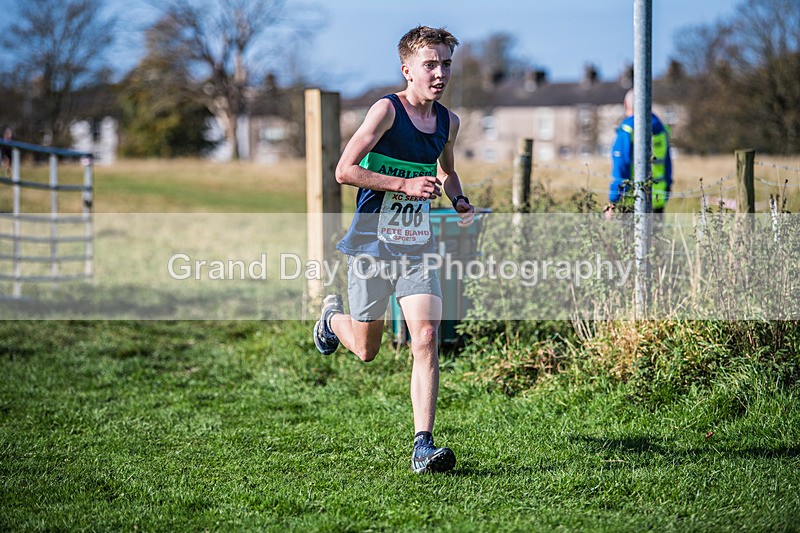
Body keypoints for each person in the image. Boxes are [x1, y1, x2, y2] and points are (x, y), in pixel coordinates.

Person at [313, 25, 475, 473]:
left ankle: (423, 445)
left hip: (417, 246)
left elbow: (446, 172)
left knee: (425, 336)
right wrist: (402, 182)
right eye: (430, 65)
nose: (440, 73)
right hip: (370, 243)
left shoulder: (448, 122)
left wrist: (458, 198)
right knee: (367, 349)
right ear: (407, 70)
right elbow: (344, 170)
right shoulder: (386, 111)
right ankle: (331, 319)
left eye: (445, 64)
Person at [605, 89, 672, 218]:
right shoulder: (661, 129)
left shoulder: (628, 129)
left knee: (631, 238)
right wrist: (667, 190)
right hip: (658, 198)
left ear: (626, 105)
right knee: (655, 237)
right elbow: (667, 165)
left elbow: (621, 166)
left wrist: (613, 200)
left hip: (632, 199)